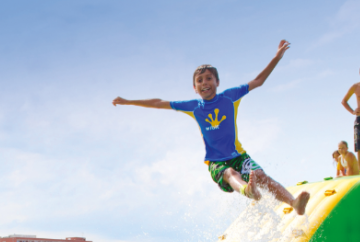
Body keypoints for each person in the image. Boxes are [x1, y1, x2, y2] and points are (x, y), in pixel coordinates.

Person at [112, 40, 309, 215]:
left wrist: (276, 57)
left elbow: (258, 81)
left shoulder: (230, 97)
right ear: (194, 88)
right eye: (199, 80)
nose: (204, 82)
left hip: (239, 155)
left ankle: (294, 203)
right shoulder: (194, 107)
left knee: (262, 176)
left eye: (208, 78)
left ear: (217, 82)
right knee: (231, 174)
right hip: (216, 162)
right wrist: (128, 101)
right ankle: (246, 190)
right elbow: (158, 102)